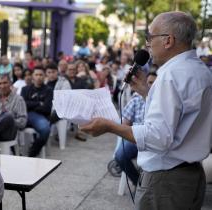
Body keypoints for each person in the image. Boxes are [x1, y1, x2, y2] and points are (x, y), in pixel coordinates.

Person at [81, 11, 212, 210]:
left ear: (168, 40)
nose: (147, 44)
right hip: (191, 175)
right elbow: (181, 117)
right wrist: (146, 92)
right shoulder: (200, 70)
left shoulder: (170, 76)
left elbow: (157, 137)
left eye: (150, 37)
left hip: (166, 181)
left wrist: (109, 126)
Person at [114, 72, 157, 186]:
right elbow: (125, 123)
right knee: (120, 156)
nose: (151, 85)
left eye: (154, 82)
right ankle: (138, 182)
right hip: (137, 137)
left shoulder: (161, 99)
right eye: (149, 82)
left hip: (156, 138)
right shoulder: (137, 98)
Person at [21, 66, 53, 157]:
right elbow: (23, 105)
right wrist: (39, 103)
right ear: (32, 76)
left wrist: (30, 105)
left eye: (41, 75)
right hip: (26, 116)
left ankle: (32, 153)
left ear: (44, 76)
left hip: (41, 116)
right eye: (36, 74)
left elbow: (47, 108)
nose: (39, 77)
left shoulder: (48, 90)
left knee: (46, 130)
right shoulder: (25, 89)